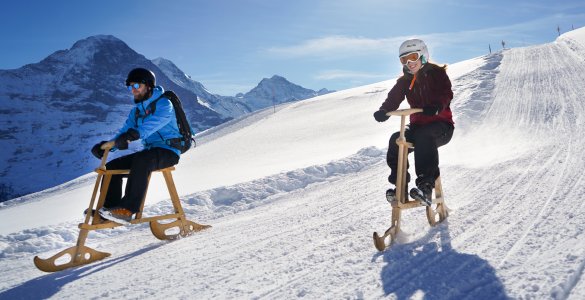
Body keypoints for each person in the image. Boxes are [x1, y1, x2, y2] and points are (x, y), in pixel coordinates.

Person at [90, 67, 182, 224]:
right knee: (112, 166)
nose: (133, 91)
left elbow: (153, 124)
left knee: (142, 160)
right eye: (130, 87)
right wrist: (106, 146)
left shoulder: (164, 104)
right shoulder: (136, 112)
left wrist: (134, 135)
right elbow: (124, 132)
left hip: (169, 151)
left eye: (136, 86)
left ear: (148, 86)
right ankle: (108, 210)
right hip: (150, 151)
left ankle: (127, 209)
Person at [373, 39, 454, 206]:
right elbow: (393, 98)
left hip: (441, 126)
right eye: (404, 60)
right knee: (396, 139)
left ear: (423, 55)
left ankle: (425, 186)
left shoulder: (437, 74)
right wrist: (384, 111)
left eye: (412, 57)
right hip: (418, 127)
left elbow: (446, 94)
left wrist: (437, 107)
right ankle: (399, 187)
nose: (409, 63)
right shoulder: (404, 81)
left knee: (425, 136)